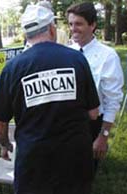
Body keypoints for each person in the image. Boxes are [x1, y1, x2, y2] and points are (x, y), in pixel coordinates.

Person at [0, 4, 99, 194]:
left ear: (26, 35)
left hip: (34, 161)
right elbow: (93, 113)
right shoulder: (77, 59)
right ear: (52, 29)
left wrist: (5, 145)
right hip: (75, 159)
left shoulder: (13, 67)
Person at [66, 2, 124, 169]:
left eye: (78, 24)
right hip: (66, 121)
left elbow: (112, 100)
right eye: (70, 24)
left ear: (92, 25)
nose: (73, 28)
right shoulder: (66, 52)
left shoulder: (108, 57)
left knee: (85, 171)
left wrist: (103, 136)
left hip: (91, 124)